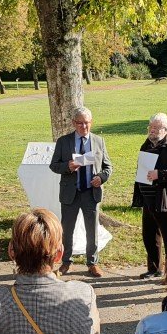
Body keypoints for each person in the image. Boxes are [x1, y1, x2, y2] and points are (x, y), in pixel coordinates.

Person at [49, 106, 113, 277]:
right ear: (73, 123)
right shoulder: (64, 141)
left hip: (91, 193)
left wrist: (101, 178)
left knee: (92, 230)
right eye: (80, 123)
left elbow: (108, 167)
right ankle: (66, 262)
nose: (84, 126)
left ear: (91, 122)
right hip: (71, 193)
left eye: (87, 123)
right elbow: (53, 165)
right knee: (67, 229)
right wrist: (68, 166)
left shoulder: (98, 141)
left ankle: (92, 263)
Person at [131, 112, 167, 279]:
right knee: (150, 236)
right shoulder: (147, 144)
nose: (152, 130)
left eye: (156, 128)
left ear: (166, 129)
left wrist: (160, 174)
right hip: (149, 199)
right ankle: (154, 269)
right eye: (150, 126)